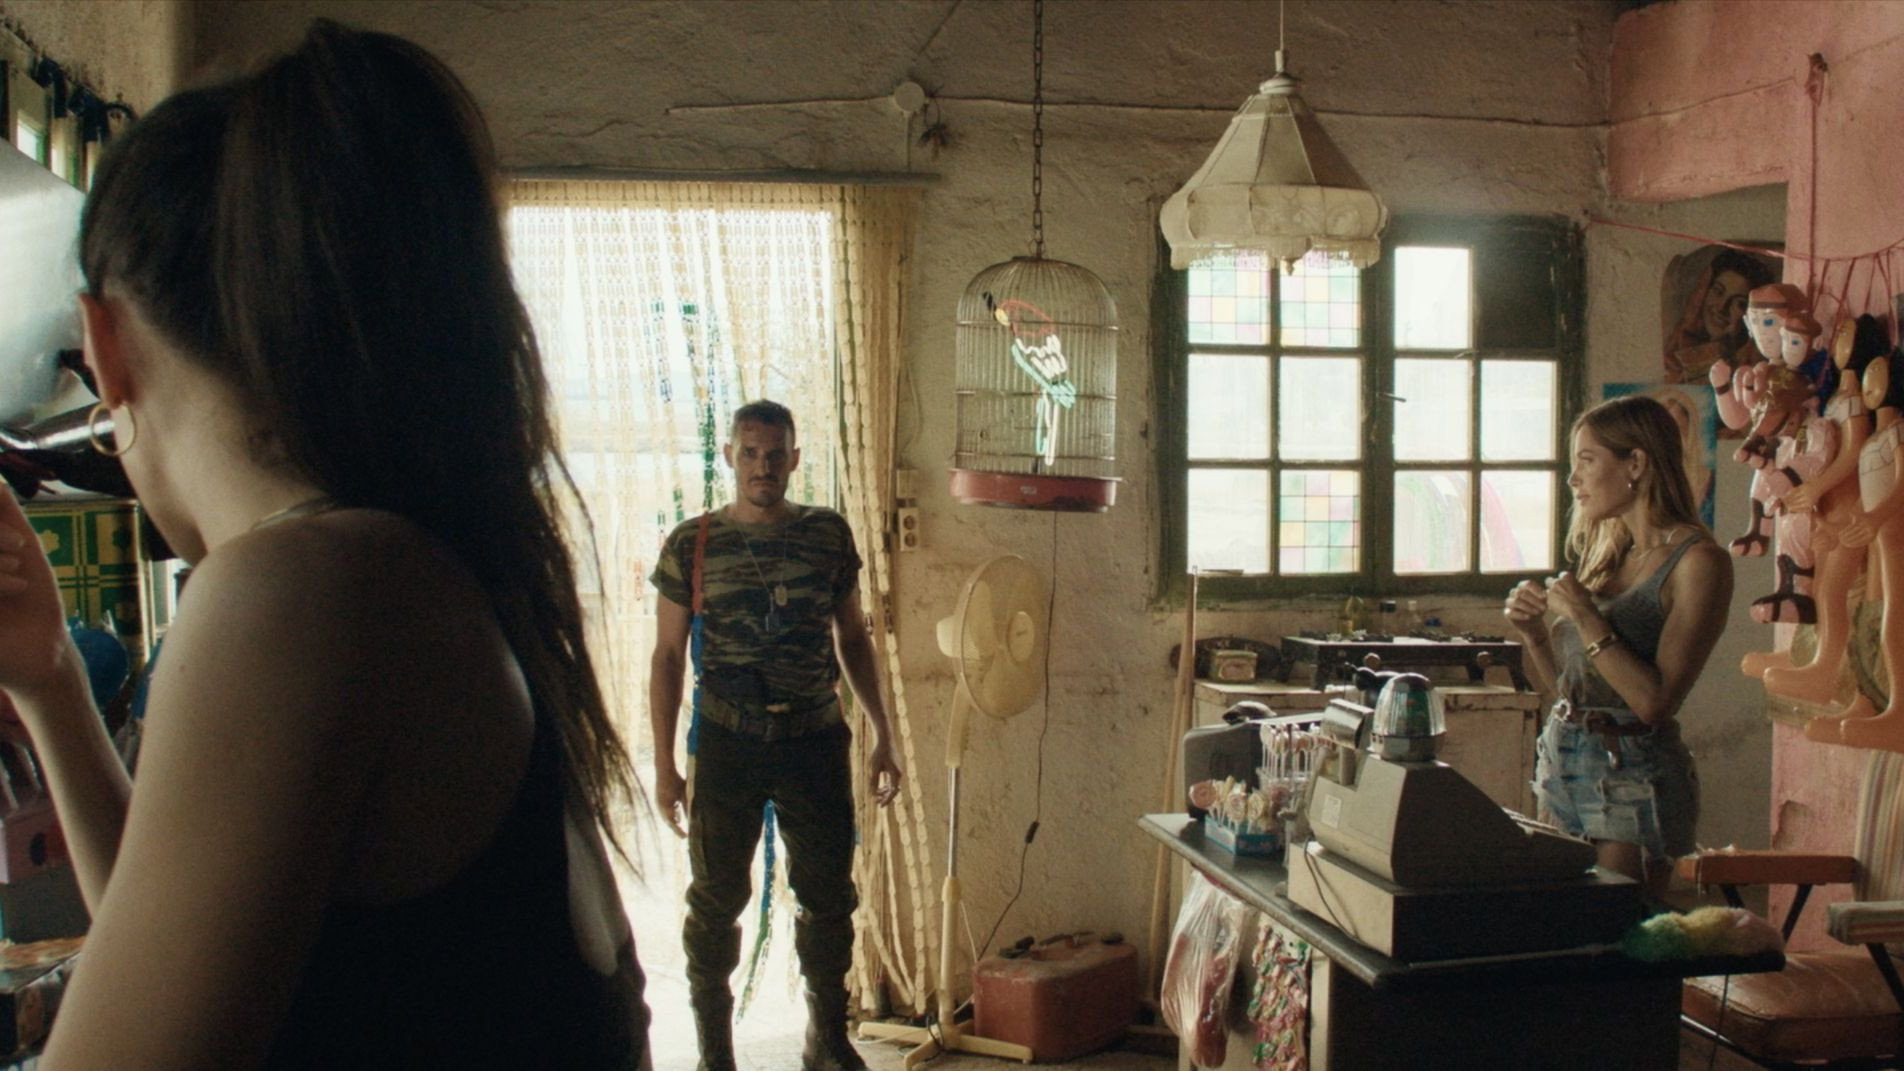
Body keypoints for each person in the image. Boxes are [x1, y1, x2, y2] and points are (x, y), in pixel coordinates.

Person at [0, 22, 650, 1069]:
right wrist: (51, 682)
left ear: (104, 344)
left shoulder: (299, 590)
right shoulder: (413, 572)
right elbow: (180, 952)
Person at [649, 400, 902, 1071]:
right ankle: (715, 1054)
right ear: (730, 457)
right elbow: (667, 657)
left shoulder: (826, 535)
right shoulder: (691, 543)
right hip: (726, 743)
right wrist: (665, 766)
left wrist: (884, 733)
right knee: (715, 902)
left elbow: (852, 637)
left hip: (813, 738)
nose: (762, 467)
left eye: (774, 454)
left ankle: (827, 1040)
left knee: (828, 898)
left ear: (794, 458)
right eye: (750, 454)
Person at [1503, 395, 1733, 899]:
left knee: (1618, 929)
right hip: (1563, 754)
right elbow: (1574, 692)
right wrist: (1534, 633)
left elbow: (1654, 703)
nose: (1573, 479)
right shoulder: (1609, 552)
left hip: (1630, 767)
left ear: (1636, 463)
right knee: (1561, 925)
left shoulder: (1698, 562)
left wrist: (1585, 615)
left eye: (1587, 460)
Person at [1662, 248, 1776, 384]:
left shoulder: (1755, 369)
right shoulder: (1677, 350)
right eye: (1718, 291)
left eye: (1739, 303)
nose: (1722, 307)